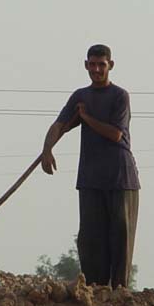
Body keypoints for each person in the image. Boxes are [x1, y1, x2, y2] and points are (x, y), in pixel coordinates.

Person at [38, 44, 140, 288]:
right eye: (92, 65)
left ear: (110, 66)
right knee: (91, 239)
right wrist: (47, 149)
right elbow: (59, 125)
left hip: (120, 179)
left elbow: (115, 134)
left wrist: (86, 118)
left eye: (101, 65)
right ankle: (95, 290)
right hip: (91, 178)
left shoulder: (119, 96)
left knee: (120, 238)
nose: (96, 69)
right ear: (86, 65)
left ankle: (119, 293)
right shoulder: (80, 96)